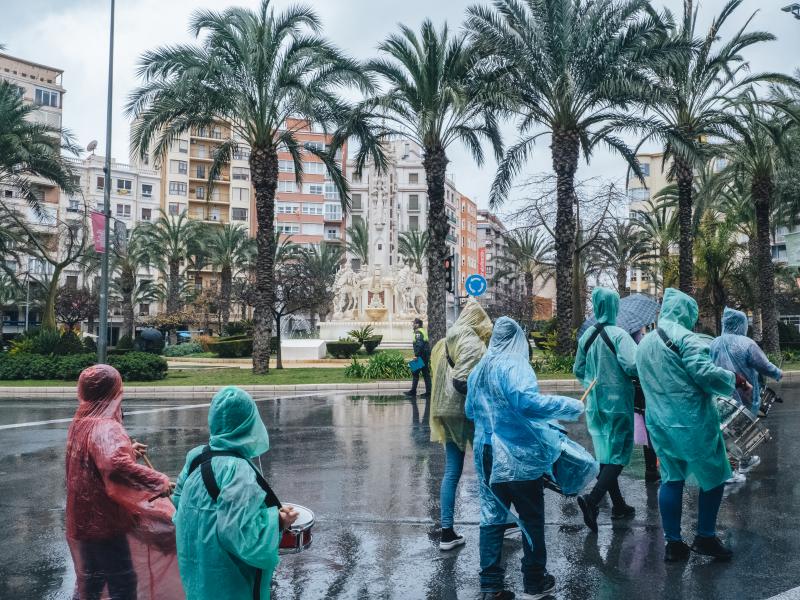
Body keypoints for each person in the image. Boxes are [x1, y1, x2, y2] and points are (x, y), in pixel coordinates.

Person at [466, 317, 584, 600]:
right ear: (517, 339)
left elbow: (471, 410)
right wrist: (569, 405)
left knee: (491, 518)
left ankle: (491, 586)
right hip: (517, 454)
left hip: (485, 452)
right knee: (531, 516)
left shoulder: (478, 369)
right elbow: (526, 402)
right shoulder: (515, 366)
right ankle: (534, 581)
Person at [637, 288, 749, 562]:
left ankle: (673, 544)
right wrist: (734, 379)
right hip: (692, 422)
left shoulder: (645, 342)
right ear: (687, 313)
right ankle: (705, 536)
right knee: (714, 476)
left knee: (671, 479)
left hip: (659, 424)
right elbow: (704, 373)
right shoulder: (687, 338)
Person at [65, 364, 182, 600]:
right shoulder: (107, 427)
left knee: (90, 581)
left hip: (81, 519)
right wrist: (158, 481)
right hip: (106, 522)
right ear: (112, 391)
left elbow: (95, 460)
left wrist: (127, 449)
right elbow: (115, 467)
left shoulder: (81, 421)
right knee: (123, 582)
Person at [173, 386, 298, 600]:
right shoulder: (238, 471)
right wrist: (278, 521)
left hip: (196, 571)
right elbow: (244, 538)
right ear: (249, 423)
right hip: (229, 581)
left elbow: (179, 505)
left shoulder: (195, 457)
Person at [430, 299, 493, 550]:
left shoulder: (447, 340)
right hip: (465, 411)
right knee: (487, 466)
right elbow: (461, 381)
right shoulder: (470, 341)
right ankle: (497, 520)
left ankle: (447, 532)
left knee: (452, 471)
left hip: (444, 409)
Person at [573, 287, 638, 532]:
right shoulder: (619, 335)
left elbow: (578, 370)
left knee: (606, 453)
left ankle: (619, 505)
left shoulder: (586, 336)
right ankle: (593, 500)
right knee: (619, 455)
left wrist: (593, 378)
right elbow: (632, 365)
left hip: (595, 404)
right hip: (618, 402)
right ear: (613, 307)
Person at [710, 307, 783, 477]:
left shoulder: (714, 343)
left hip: (719, 395)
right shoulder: (747, 343)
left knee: (724, 430)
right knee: (739, 430)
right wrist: (777, 373)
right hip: (745, 393)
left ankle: (735, 464)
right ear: (741, 324)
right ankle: (733, 468)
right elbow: (763, 365)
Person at [406, 317, 431, 399]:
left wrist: (416, 356)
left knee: (415, 372)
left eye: (414, 323)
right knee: (424, 373)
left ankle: (414, 391)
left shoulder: (418, 333)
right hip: (424, 355)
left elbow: (419, 345)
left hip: (421, 356)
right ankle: (428, 392)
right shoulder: (422, 331)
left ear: (417, 324)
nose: (413, 325)